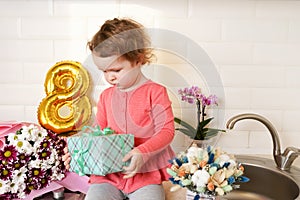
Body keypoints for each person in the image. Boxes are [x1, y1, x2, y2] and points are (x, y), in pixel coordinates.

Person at [63, 18, 175, 200]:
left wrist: (142, 151)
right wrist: (79, 151)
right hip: (108, 178)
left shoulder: (155, 92)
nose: (110, 77)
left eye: (116, 70)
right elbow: (98, 134)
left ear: (138, 60)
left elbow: (166, 131)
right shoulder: (106, 96)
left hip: (144, 177)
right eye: (104, 71)